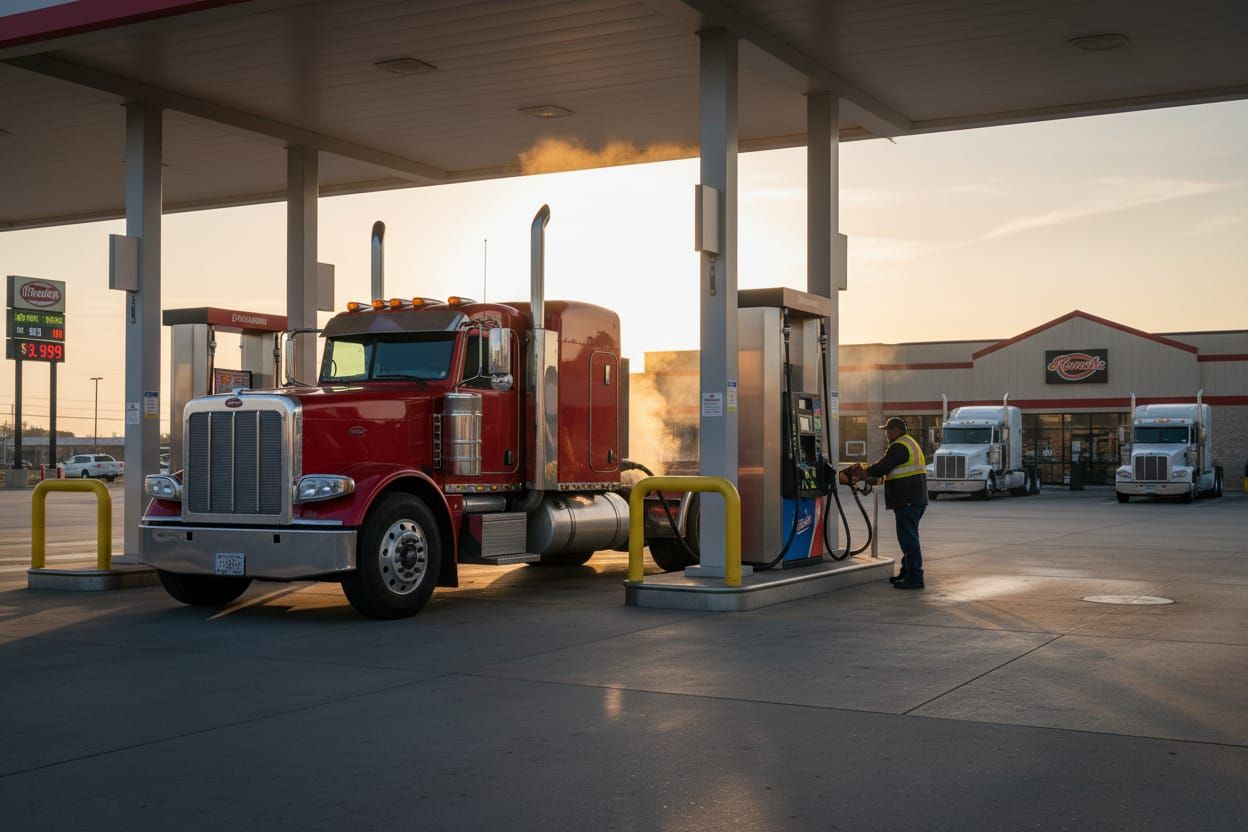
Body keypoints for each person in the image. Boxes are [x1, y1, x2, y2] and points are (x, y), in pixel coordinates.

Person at [850, 417, 929, 589]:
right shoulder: (910, 443)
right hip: (915, 498)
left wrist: (865, 473)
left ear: (898, 430)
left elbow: (885, 466)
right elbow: (893, 470)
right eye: (887, 430)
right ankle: (907, 571)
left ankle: (915, 577)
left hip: (907, 499)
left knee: (908, 539)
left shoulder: (900, 446)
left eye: (889, 430)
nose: (887, 433)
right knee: (908, 537)